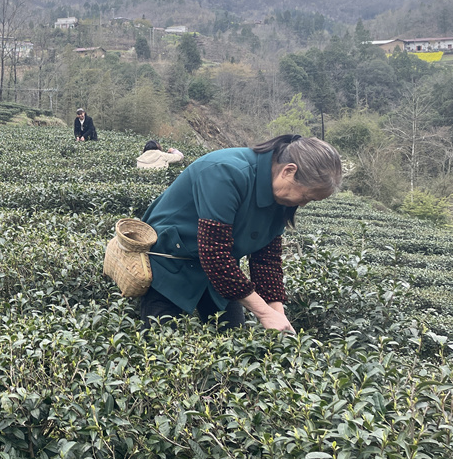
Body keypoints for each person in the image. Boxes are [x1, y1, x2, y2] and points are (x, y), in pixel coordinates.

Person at [139, 134, 342, 333]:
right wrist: (264, 314)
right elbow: (215, 255)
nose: (303, 204)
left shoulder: (282, 196)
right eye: (306, 196)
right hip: (170, 261)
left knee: (233, 335)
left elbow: (266, 259)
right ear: (288, 171)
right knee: (160, 338)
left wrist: (278, 315)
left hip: (221, 271)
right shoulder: (226, 172)